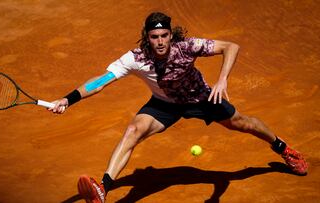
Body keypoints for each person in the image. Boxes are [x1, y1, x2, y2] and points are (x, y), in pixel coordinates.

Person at [50, 12, 308, 203]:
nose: (160, 41)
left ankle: (283, 148)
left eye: (164, 36)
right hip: (164, 104)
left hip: (202, 98)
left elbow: (231, 47)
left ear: (170, 35)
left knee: (244, 124)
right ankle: (103, 189)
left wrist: (222, 78)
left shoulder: (188, 47)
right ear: (147, 38)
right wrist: (67, 99)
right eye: (154, 37)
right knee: (133, 130)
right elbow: (99, 82)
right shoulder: (136, 58)